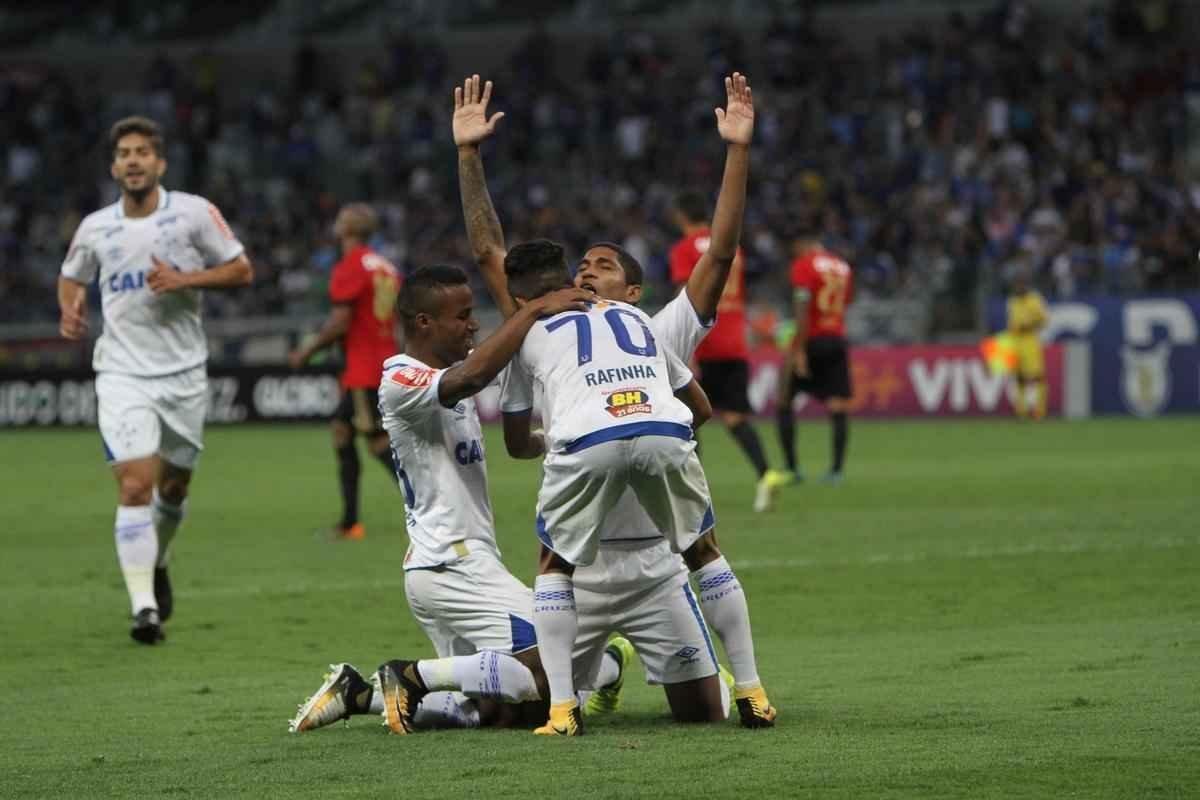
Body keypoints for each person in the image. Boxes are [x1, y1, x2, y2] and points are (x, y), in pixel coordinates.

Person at [454, 73, 773, 729]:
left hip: (656, 565)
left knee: (700, 716)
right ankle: (577, 682)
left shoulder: (660, 327)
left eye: (603, 265)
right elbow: (491, 250)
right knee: (509, 708)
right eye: (582, 265)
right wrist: (469, 156)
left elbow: (720, 255)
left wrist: (737, 149)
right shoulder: (544, 321)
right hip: (585, 572)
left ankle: (622, 679)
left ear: (633, 291)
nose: (586, 270)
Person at [290, 265, 596, 735]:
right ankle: (405, 674)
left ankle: (362, 694)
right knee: (562, 659)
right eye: (463, 315)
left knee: (506, 711)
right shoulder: (401, 376)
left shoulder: (452, 374)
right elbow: (472, 377)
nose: (473, 324)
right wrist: (534, 308)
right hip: (450, 566)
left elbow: (492, 374)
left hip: (457, 565)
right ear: (424, 324)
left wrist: (552, 437)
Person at [57, 116, 254, 644]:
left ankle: (159, 559)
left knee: (174, 486)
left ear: (160, 162)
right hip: (121, 372)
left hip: (184, 373)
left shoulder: (192, 212)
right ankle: (144, 606)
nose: (134, 160)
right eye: (125, 152)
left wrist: (185, 278)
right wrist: (70, 310)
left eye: (143, 151)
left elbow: (241, 270)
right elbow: (71, 276)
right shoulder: (96, 226)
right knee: (135, 485)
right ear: (114, 165)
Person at [288, 204, 401, 540]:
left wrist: (306, 352)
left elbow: (340, 323)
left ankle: (430, 510)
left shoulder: (350, 266)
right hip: (381, 359)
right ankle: (350, 521)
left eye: (339, 220)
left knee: (378, 442)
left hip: (365, 368)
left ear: (347, 230)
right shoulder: (385, 266)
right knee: (342, 430)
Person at [670, 192, 786, 512]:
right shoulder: (732, 246)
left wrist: (684, 347)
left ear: (680, 217)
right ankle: (766, 473)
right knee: (735, 417)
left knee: (686, 418)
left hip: (704, 341)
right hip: (735, 339)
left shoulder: (682, 249)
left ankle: (691, 491)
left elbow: (687, 295)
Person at [777, 230, 855, 484]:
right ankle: (836, 471)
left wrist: (798, 349)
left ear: (802, 244)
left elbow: (802, 305)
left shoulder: (803, 264)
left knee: (784, 399)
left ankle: (792, 468)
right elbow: (846, 302)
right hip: (836, 338)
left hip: (811, 339)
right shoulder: (842, 266)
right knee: (837, 406)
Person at [1006, 274, 1049, 420]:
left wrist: (1029, 325)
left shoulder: (1034, 301)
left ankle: (1039, 411)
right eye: (1016, 285)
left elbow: (1044, 320)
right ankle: (1021, 411)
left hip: (1030, 340)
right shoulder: (1012, 302)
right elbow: (1011, 322)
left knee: (1037, 377)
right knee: (1019, 378)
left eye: (1021, 285)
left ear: (1026, 286)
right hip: (1015, 341)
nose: (1018, 288)